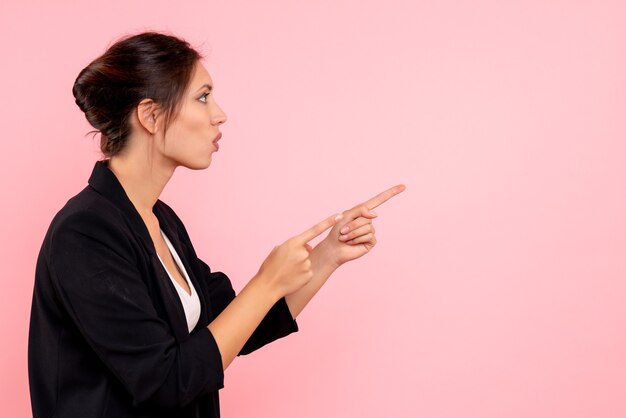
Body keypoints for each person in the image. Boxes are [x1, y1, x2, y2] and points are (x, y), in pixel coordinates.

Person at [28, 31, 405, 418]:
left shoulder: (161, 221)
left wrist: (329, 254)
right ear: (151, 115)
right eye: (202, 97)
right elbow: (165, 382)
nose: (219, 114)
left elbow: (237, 327)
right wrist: (268, 280)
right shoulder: (85, 233)